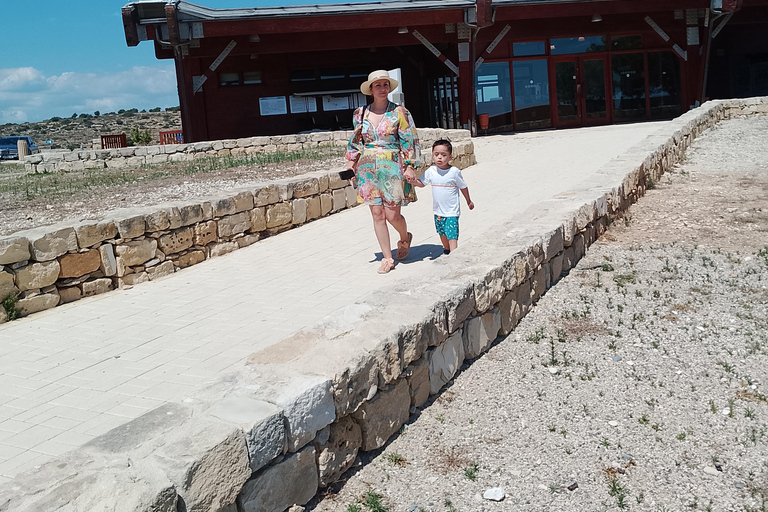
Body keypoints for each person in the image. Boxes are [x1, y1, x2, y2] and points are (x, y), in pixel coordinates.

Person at [345, 70, 421, 274]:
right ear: (370, 89)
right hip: (368, 167)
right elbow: (356, 141)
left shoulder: (399, 112)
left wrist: (410, 165)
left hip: (393, 165)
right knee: (377, 213)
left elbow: (410, 139)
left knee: (392, 215)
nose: (382, 88)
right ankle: (387, 258)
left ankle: (404, 239)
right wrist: (352, 163)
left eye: (385, 85)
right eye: (377, 85)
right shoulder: (359, 113)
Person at [412, 139, 474, 255]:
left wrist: (468, 201)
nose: (439, 158)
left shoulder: (454, 172)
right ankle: (446, 250)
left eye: (443, 155)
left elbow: (463, 187)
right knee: (442, 233)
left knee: (452, 235)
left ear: (450, 156)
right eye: (436, 155)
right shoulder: (431, 171)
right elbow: (422, 183)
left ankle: (454, 256)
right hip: (438, 211)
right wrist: (413, 181)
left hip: (451, 212)